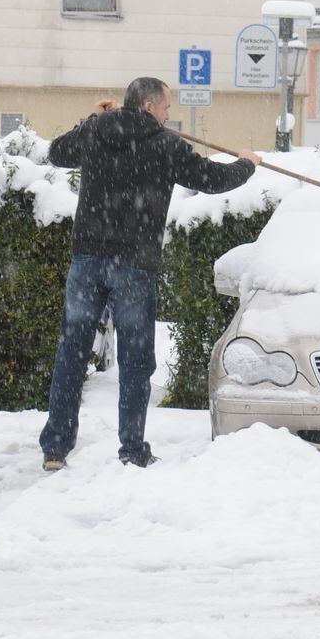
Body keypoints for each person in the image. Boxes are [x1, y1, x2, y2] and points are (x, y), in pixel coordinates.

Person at [40, 77, 261, 471]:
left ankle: (55, 447)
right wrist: (248, 163)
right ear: (148, 107)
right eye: (166, 109)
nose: (168, 115)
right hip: (135, 265)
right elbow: (211, 179)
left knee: (72, 352)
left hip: (87, 258)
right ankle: (132, 450)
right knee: (137, 360)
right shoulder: (165, 145)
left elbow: (57, 153)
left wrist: (91, 120)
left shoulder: (95, 131)